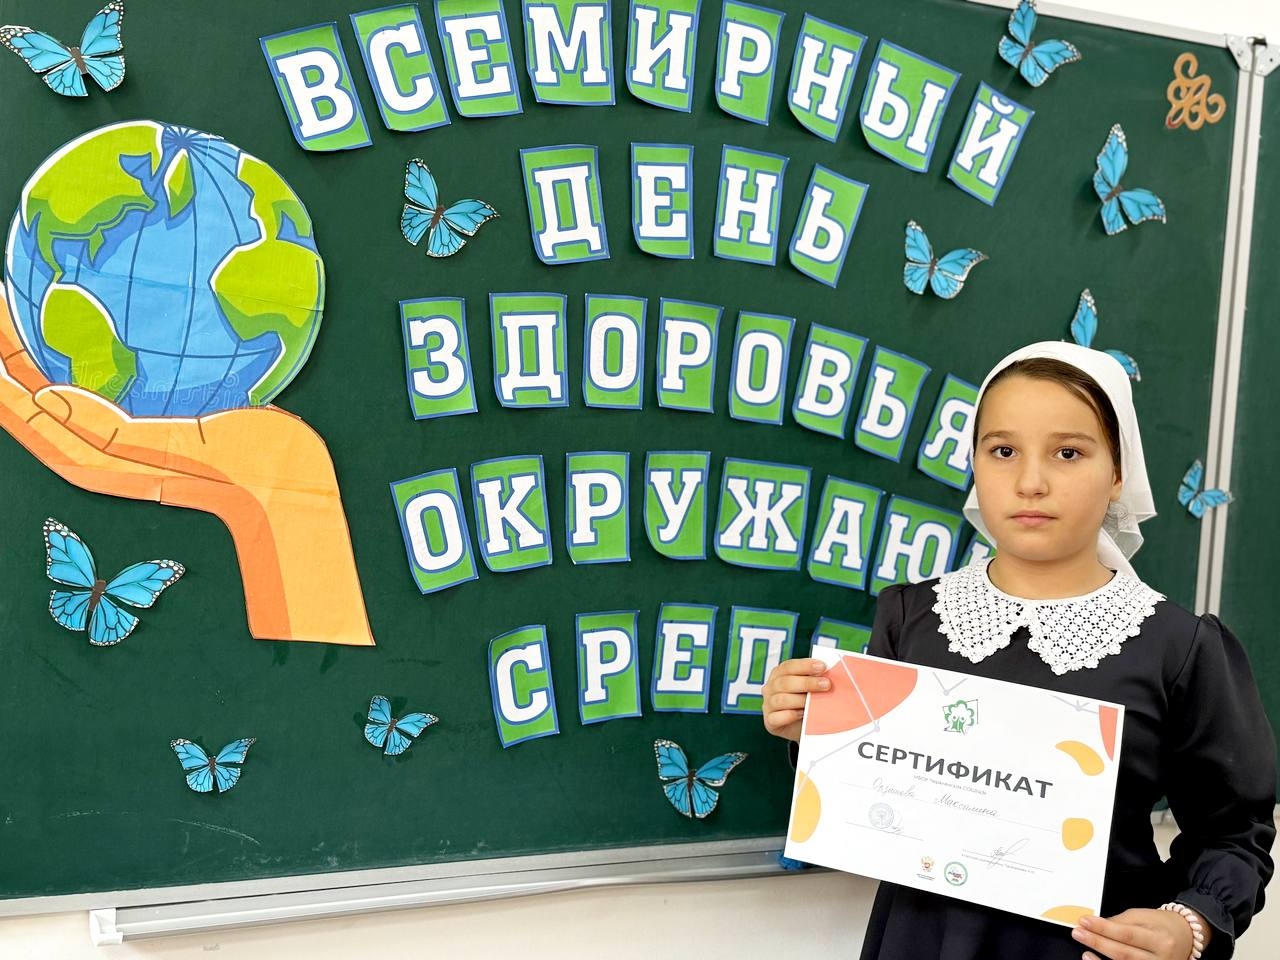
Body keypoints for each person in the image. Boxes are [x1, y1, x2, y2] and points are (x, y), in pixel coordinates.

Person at [763, 342, 1276, 960]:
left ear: (1118, 472)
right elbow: (882, 798)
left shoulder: (1178, 647)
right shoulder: (912, 619)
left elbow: (1233, 830)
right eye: (1003, 451)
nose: (1031, 483)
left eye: (1068, 453)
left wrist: (1189, 925)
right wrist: (814, 732)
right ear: (975, 462)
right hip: (922, 942)